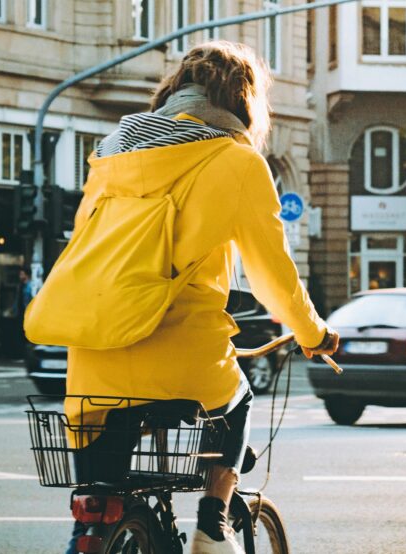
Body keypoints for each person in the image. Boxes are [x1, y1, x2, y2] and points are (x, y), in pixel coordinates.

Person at [62, 41, 339, 554]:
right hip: (182, 353)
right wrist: (312, 333)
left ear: (174, 90)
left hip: (91, 352)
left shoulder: (110, 151)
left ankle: (93, 530)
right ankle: (213, 527)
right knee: (237, 402)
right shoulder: (238, 162)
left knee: (99, 492)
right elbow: (271, 274)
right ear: (243, 101)